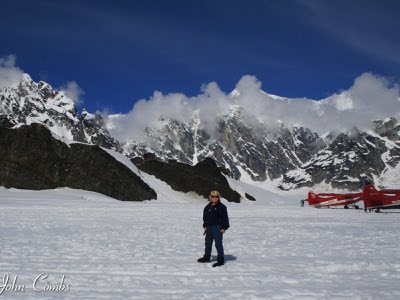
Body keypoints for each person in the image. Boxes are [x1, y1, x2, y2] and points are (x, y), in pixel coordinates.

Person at [197, 190, 230, 267]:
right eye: (213, 196)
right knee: (208, 243)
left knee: (218, 244)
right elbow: (205, 217)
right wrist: (205, 225)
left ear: (218, 197)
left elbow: (225, 218)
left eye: (216, 196)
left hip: (217, 227)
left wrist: (224, 228)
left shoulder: (222, 207)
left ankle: (220, 260)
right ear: (210, 197)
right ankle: (207, 257)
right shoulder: (207, 206)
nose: (214, 198)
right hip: (209, 227)